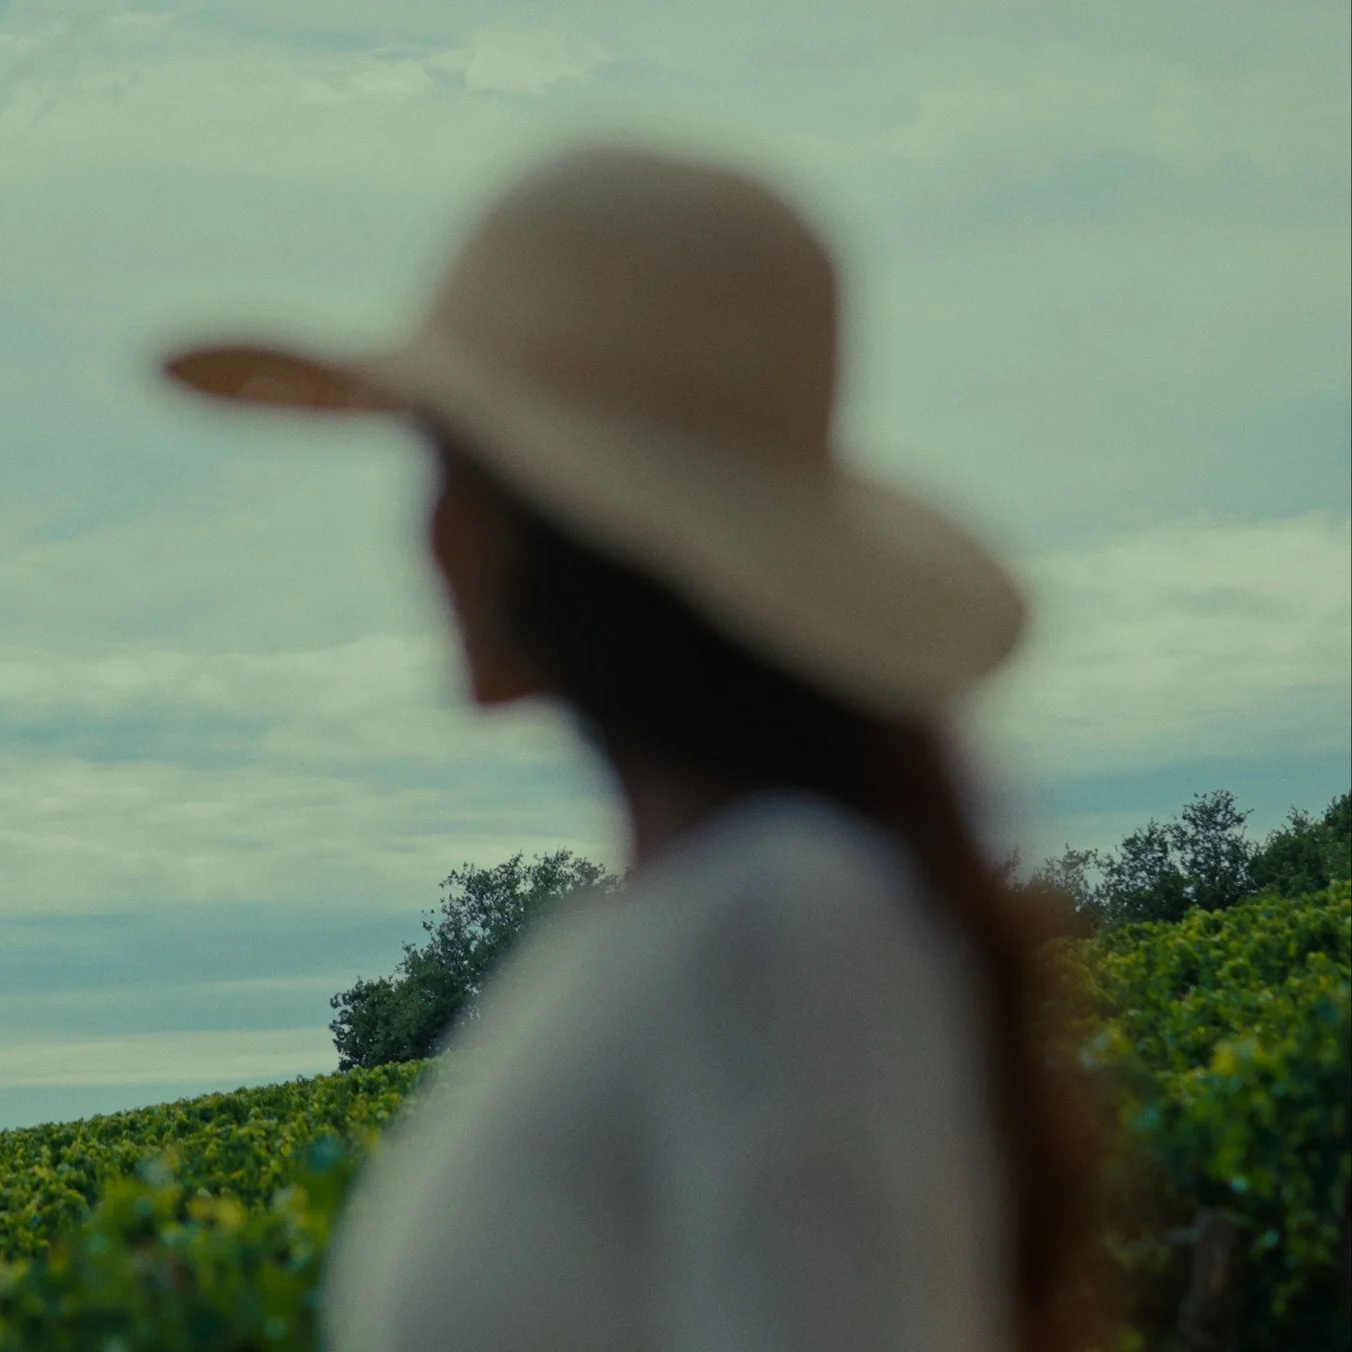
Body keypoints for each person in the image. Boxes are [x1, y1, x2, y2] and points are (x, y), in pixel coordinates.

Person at [162, 142, 1095, 1351]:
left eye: (453, 465)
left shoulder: (773, 921)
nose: (424, 530)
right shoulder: (667, 927)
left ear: (569, 518)